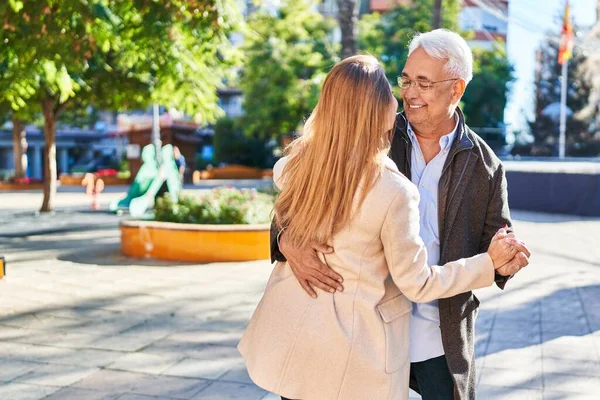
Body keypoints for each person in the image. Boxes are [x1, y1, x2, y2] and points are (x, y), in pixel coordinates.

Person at [238, 55, 529, 400]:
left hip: (426, 334)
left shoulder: (298, 163)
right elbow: (417, 282)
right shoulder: (390, 187)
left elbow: (499, 236)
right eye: (402, 84)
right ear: (375, 111)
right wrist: (285, 240)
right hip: (358, 344)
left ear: (456, 90)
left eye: (423, 83)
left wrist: (502, 263)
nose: (405, 96)